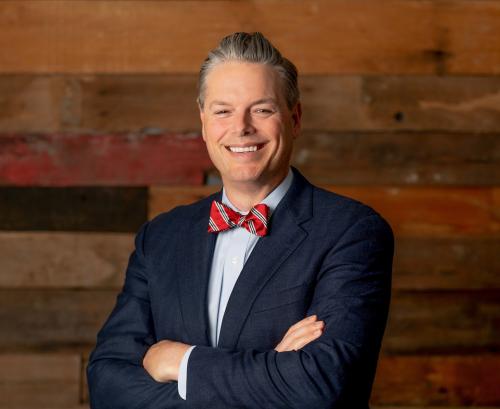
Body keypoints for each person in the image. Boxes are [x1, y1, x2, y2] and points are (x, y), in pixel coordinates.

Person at [87, 32, 394, 409]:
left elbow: (321, 386)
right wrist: (273, 373)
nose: (242, 127)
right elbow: (107, 384)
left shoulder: (353, 231)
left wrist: (178, 361)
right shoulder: (161, 237)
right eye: (222, 111)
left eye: (262, 109)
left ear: (294, 119)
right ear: (203, 124)